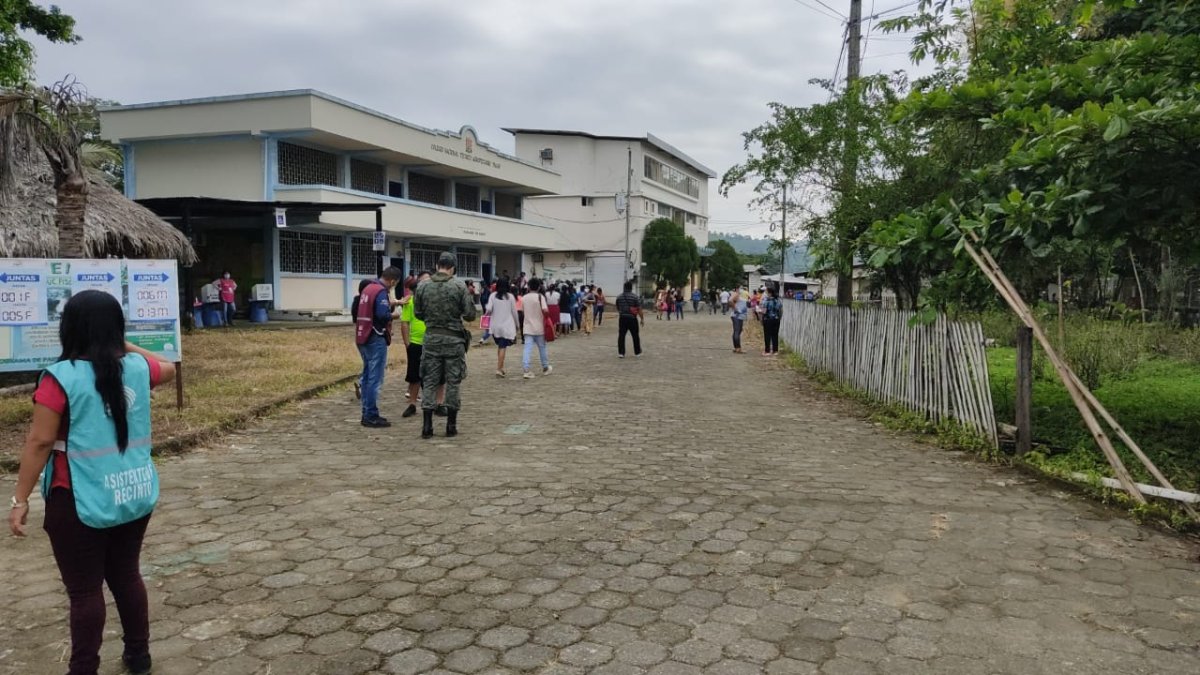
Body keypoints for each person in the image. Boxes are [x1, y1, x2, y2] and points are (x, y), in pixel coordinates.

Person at [9, 290, 177, 675]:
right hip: (132, 491)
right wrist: (121, 344)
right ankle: (139, 655)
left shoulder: (60, 378)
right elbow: (166, 367)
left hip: (77, 497)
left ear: (69, 328)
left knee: (84, 591)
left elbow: (39, 441)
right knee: (127, 576)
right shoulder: (136, 368)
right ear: (116, 329)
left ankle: (83, 668)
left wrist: (20, 499)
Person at [413, 252, 475, 439]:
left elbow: (418, 313)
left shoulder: (423, 286)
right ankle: (451, 425)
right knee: (453, 382)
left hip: (431, 339)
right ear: (453, 267)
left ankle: (427, 426)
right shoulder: (458, 286)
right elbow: (470, 314)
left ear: (437, 265)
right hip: (454, 341)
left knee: (430, 381)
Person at [355, 266, 402, 427]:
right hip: (375, 337)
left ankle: (366, 413)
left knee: (367, 376)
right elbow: (382, 315)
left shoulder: (368, 288)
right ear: (393, 281)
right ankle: (371, 415)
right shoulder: (380, 291)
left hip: (363, 336)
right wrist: (395, 314)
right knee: (375, 378)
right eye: (394, 284)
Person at [399, 272, 445, 419]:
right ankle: (412, 404)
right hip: (416, 343)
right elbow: (405, 323)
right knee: (414, 376)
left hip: (434, 342)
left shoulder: (437, 301)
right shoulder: (410, 302)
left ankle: (439, 404)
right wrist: (407, 343)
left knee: (439, 375)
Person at [485, 278, 520, 377]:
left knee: (500, 347)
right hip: (506, 326)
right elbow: (514, 312)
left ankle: (500, 366)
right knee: (502, 347)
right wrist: (517, 325)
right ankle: (499, 369)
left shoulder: (492, 296)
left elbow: (488, 309)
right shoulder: (510, 297)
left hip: (495, 326)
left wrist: (486, 314)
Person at [521, 279, 553, 379]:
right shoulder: (540, 297)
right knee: (542, 348)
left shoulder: (524, 298)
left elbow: (522, 312)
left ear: (529, 287)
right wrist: (546, 317)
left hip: (527, 327)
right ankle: (545, 367)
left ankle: (526, 370)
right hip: (539, 327)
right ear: (539, 287)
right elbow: (545, 310)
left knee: (527, 349)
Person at [349, 278, 373, 400]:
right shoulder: (369, 301)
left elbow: (354, 318)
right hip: (370, 335)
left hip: (359, 335)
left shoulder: (356, 300)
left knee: (367, 362)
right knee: (371, 364)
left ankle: (363, 384)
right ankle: (363, 383)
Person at [616, 280, 644, 358]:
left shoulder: (619, 297)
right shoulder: (635, 297)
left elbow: (618, 307)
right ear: (631, 288)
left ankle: (621, 353)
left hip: (622, 318)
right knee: (635, 335)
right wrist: (642, 319)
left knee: (621, 335)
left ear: (624, 288)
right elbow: (639, 309)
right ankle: (637, 352)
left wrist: (622, 312)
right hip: (632, 318)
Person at [762, 286, 783, 355]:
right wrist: (779, 318)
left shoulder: (766, 301)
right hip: (776, 320)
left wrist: (760, 312)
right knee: (775, 335)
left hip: (768, 319)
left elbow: (764, 311)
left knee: (767, 335)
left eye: (767, 291)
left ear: (770, 293)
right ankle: (775, 351)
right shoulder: (778, 301)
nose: (766, 292)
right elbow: (781, 311)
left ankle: (767, 351)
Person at [730, 287, 748, 354]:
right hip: (737, 316)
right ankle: (738, 348)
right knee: (737, 331)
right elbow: (730, 301)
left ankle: (736, 347)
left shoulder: (741, 295)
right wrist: (736, 309)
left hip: (740, 316)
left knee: (738, 330)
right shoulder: (737, 294)